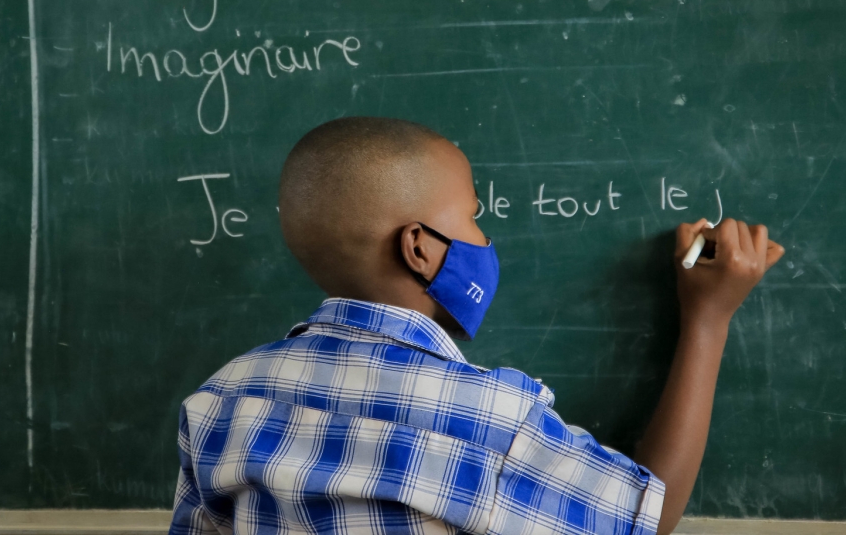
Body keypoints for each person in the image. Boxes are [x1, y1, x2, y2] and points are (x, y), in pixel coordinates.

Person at [170, 117, 784, 535]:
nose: (485, 240)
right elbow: (646, 514)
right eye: (473, 218)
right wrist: (708, 318)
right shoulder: (489, 415)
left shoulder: (221, 401)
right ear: (420, 249)